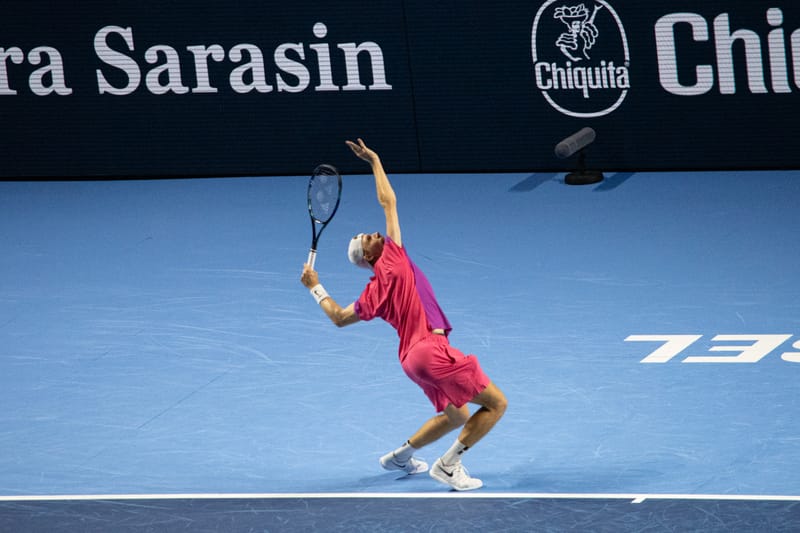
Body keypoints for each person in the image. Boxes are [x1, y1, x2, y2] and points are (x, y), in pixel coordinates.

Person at [300, 138, 507, 491]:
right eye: (368, 238)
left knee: (456, 414)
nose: (375, 233)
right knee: (497, 404)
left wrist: (314, 287)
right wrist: (375, 161)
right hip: (431, 349)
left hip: (411, 360)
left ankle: (399, 455)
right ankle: (448, 465)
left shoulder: (372, 293)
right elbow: (388, 201)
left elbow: (337, 316)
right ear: (368, 257)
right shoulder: (393, 258)